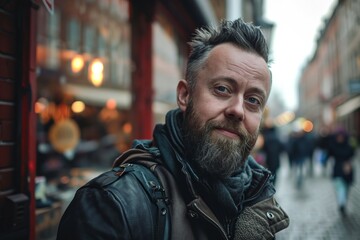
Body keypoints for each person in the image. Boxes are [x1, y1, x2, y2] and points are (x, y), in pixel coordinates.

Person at [57, 18, 289, 240]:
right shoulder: (112, 206)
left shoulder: (256, 201)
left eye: (253, 100)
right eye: (222, 89)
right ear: (185, 96)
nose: (238, 110)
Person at [327, 128, 355, 216]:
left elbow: (352, 154)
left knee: (346, 188)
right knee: (340, 188)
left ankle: (342, 202)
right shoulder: (334, 145)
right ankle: (341, 204)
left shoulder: (349, 145)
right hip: (338, 169)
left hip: (347, 169)